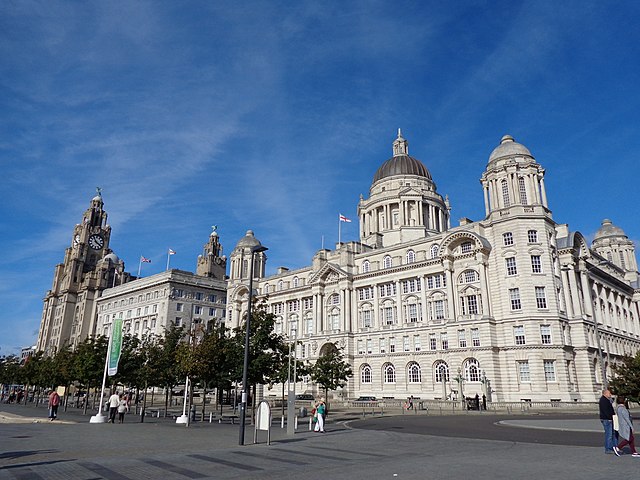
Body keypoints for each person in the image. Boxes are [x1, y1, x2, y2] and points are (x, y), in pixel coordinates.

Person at [599, 389, 616, 454]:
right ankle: (608, 448)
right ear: (605, 393)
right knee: (609, 434)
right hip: (607, 419)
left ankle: (610, 447)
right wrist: (610, 418)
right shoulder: (604, 400)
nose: (610, 394)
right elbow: (606, 411)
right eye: (609, 393)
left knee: (610, 434)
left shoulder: (606, 399)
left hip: (607, 418)